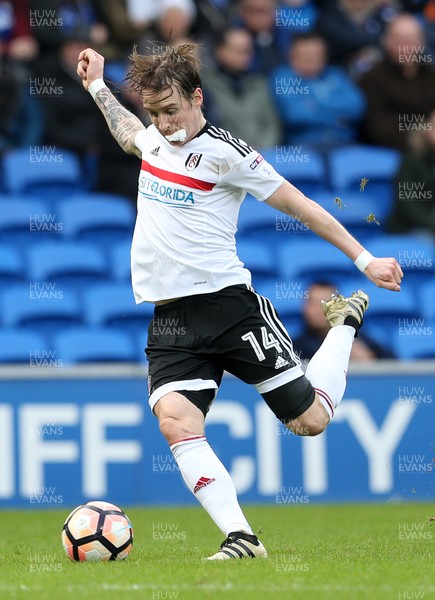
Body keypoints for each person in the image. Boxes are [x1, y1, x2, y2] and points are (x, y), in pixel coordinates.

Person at [76, 42, 403, 560]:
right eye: (155, 113)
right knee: (175, 422)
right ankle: (242, 537)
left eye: (171, 111)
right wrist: (97, 86)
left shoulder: (228, 153)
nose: (163, 124)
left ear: (197, 97)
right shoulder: (156, 139)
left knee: (309, 421)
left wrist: (365, 261)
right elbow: (129, 135)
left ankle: (343, 324)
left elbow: (302, 206)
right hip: (171, 318)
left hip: (229, 308)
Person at [270, 32, 365, 146]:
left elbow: (357, 107)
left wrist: (314, 105)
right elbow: (295, 115)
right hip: (302, 147)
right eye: (304, 55)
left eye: (316, 55)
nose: (310, 59)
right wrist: (339, 118)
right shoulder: (283, 77)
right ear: (291, 56)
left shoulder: (336, 74)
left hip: (345, 143)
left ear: (325, 56)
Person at [359, 13, 435, 149]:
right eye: (399, 40)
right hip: (393, 148)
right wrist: (423, 131)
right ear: (387, 42)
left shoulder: (431, 74)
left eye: (411, 40)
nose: (406, 46)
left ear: (421, 42)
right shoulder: (373, 78)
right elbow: (377, 128)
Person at [201, 27, 281, 149]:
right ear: (220, 50)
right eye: (237, 50)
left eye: (247, 51)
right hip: (222, 155)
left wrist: (260, 150)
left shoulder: (259, 84)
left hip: (261, 154)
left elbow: (272, 124)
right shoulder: (205, 84)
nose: (243, 56)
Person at [293, 281, 396, 362]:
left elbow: (395, 366)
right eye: (314, 303)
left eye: (328, 303)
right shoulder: (293, 349)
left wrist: (370, 360)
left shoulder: (357, 338)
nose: (320, 310)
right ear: (304, 307)